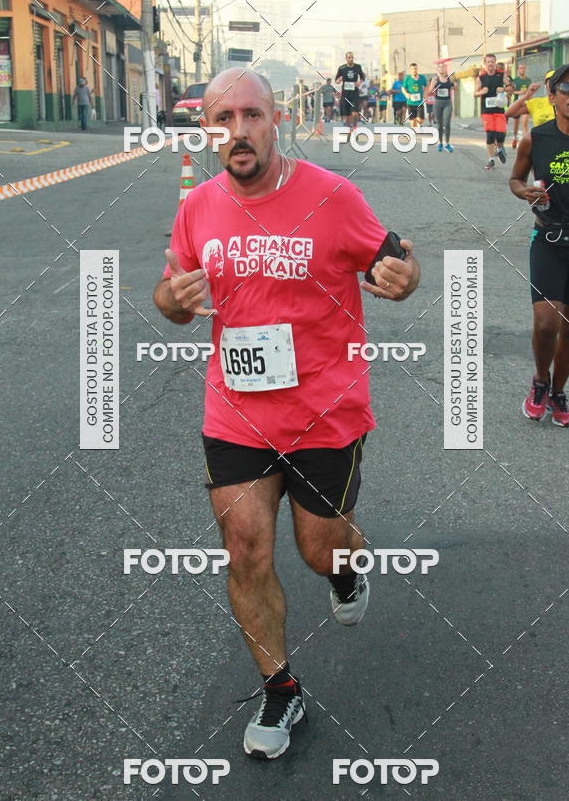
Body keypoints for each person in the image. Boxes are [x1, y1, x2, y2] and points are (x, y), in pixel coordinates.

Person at [153, 67, 421, 760]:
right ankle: (280, 688)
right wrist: (173, 302)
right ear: (208, 129)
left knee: (317, 547)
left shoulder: (332, 196)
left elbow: (395, 264)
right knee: (245, 549)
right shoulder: (198, 207)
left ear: (277, 121)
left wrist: (402, 279)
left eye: (250, 115)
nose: (237, 131)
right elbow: (170, 296)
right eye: (222, 119)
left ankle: (343, 569)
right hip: (235, 413)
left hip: (325, 410)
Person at [509, 62, 569, 427]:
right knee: (547, 320)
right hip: (550, 237)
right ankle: (540, 378)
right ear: (551, 97)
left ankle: (559, 390)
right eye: (567, 87)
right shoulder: (535, 138)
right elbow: (516, 179)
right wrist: (527, 193)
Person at [474, 53, 509, 169]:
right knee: (490, 135)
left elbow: (511, 87)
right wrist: (482, 92)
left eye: (492, 62)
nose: (490, 64)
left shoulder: (501, 75)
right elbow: (474, 93)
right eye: (488, 62)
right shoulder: (481, 78)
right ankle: (491, 159)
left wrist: (503, 88)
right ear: (485, 64)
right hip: (487, 111)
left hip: (499, 110)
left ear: (495, 63)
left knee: (500, 135)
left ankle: (499, 148)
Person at [427, 62, 457, 152]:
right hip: (438, 103)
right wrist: (433, 87)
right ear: (438, 69)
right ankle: (440, 143)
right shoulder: (435, 79)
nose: (441, 68)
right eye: (440, 67)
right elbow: (429, 92)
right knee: (440, 125)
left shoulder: (450, 78)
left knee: (447, 123)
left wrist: (455, 86)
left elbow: (455, 89)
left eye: (443, 67)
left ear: (446, 69)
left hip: (447, 103)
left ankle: (447, 143)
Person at [335, 52, 365, 128]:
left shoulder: (358, 67)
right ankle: (348, 129)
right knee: (347, 115)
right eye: (349, 57)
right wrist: (339, 80)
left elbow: (362, 77)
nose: (351, 59)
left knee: (355, 113)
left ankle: (355, 127)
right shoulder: (342, 68)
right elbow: (336, 80)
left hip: (354, 93)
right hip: (345, 93)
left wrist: (359, 82)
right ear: (346, 58)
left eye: (352, 57)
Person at [510, 62, 532, 148]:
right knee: (516, 124)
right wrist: (519, 92)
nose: (522, 70)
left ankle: (524, 143)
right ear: (518, 70)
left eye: (523, 68)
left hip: (525, 104)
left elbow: (530, 92)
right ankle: (515, 138)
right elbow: (511, 92)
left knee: (525, 123)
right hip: (517, 104)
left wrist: (530, 98)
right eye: (520, 68)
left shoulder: (528, 80)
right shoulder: (515, 80)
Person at [403, 62, 427, 128]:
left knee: (420, 120)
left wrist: (425, 94)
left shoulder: (422, 78)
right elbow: (403, 88)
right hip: (410, 103)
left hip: (419, 102)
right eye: (413, 69)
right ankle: (414, 133)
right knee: (412, 121)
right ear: (410, 70)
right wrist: (406, 94)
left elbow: (426, 86)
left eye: (415, 69)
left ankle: (418, 123)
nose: (414, 70)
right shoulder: (407, 79)